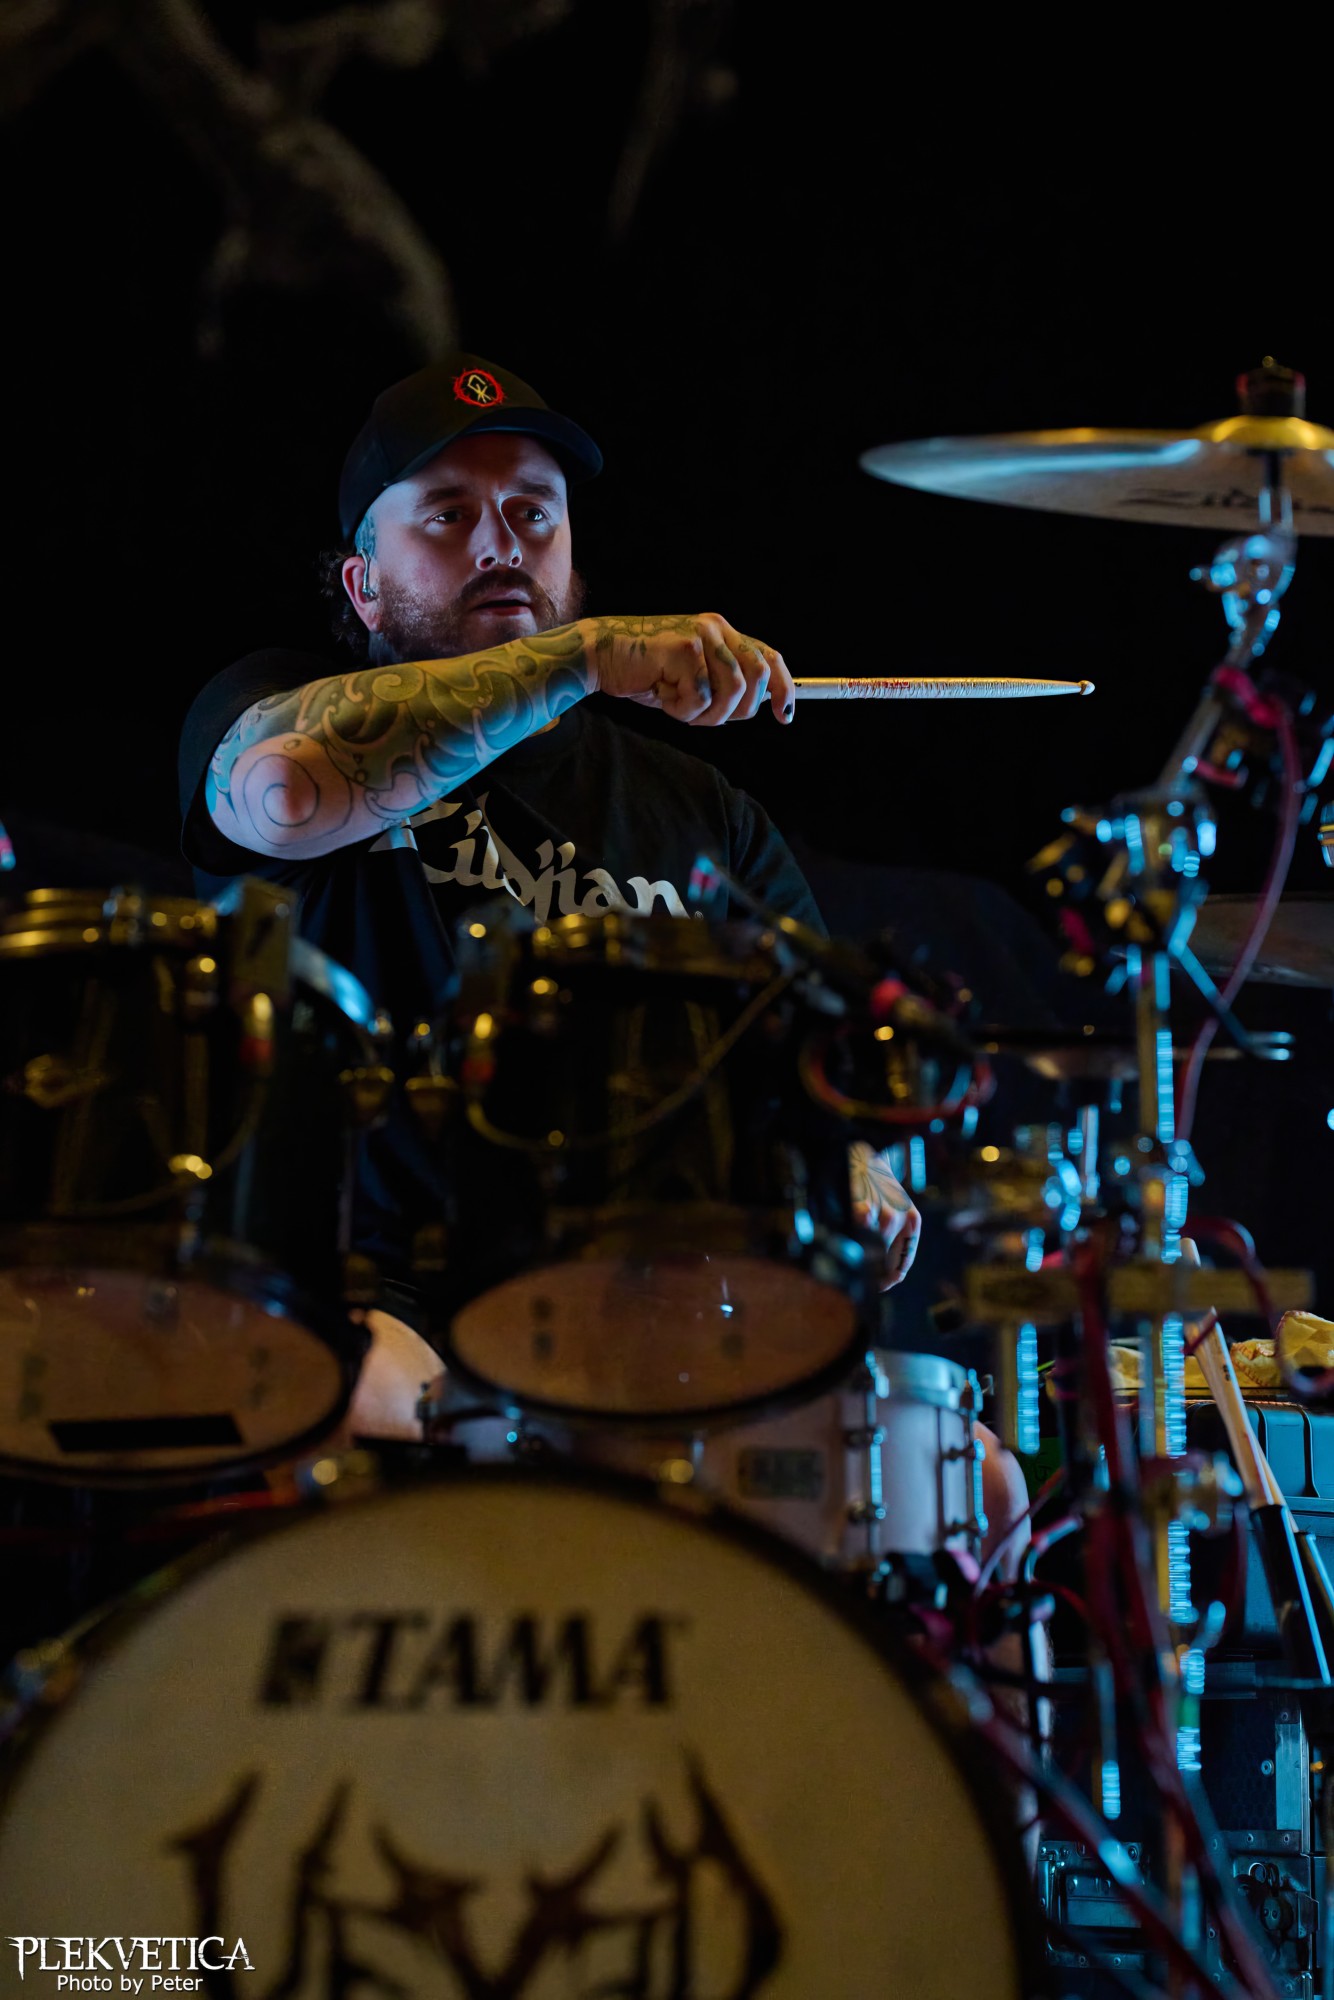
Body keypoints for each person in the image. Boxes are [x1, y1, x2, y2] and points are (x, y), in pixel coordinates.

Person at [178, 350, 924, 1432]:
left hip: (652, 1315)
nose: (501, 544)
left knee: (970, 1476)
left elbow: (827, 1063)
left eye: (533, 512)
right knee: (359, 1389)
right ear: (361, 583)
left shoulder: (702, 810)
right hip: (380, 1294)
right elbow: (286, 791)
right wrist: (586, 657)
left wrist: (852, 1158)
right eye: (448, 515)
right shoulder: (274, 707)